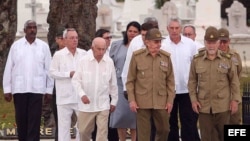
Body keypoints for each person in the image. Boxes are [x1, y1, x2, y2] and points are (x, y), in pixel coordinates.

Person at [2, 20, 54, 141]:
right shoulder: (16, 46)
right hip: (20, 89)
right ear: (25, 30)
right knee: (21, 120)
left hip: (37, 89)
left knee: (34, 121)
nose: (32, 30)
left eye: (34, 27)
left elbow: (49, 70)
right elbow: (9, 67)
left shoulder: (43, 47)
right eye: (29, 28)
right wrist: (7, 89)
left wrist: (49, 90)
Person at [188, 26, 241, 141]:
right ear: (205, 42)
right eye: (209, 42)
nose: (211, 45)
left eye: (214, 42)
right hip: (204, 107)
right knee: (207, 137)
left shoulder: (227, 60)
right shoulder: (197, 60)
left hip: (223, 106)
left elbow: (234, 81)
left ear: (218, 43)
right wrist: (193, 100)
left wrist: (235, 100)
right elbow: (192, 82)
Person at [126, 28, 175, 141]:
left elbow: (170, 81)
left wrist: (170, 101)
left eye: (160, 41)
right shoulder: (138, 56)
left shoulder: (165, 57)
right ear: (147, 42)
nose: (159, 44)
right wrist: (132, 100)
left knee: (164, 129)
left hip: (161, 100)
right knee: (144, 134)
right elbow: (130, 80)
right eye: (156, 41)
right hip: (142, 101)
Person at [72, 37, 118, 141]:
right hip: (86, 105)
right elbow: (75, 80)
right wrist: (82, 94)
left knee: (102, 134)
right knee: (83, 132)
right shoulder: (83, 61)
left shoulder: (109, 62)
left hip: (103, 104)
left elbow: (113, 83)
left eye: (103, 49)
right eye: (99, 49)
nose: (101, 52)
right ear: (92, 48)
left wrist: (114, 101)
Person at [162, 18, 199, 141]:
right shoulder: (163, 45)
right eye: (171, 28)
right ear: (167, 29)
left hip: (187, 90)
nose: (174, 30)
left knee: (188, 121)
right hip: (168, 91)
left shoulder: (190, 44)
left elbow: (195, 65)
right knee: (170, 122)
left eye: (177, 28)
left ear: (180, 29)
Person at [49, 28, 86, 141]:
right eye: (71, 38)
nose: (74, 40)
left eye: (76, 38)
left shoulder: (84, 54)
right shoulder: (58, 55)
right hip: (64, 97)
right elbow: (52, 72)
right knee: (64, 128)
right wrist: (68, 74)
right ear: (65, 40)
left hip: (80, 96)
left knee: (83, 127)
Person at [109, 21, 141, 141]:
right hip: (119, 84)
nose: (132, 34)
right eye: (130, 31)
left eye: (135, 32)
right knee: (120, 116)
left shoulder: (141, 46)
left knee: (134, 117)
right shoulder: (117, 45)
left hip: (135, 85)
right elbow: (110, 64)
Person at [91, 29, 119, 141]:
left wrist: (114, 98)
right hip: (93, 96)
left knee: (109, 125)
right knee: (95, 127)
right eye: (107, 38)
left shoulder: (111, 54)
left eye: (110, 37)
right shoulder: (90, 56)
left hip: (107, 94)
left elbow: (113, 79)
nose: (109, 40)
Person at [218, 27, 242, 124]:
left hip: (233, 95)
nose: (222, 44)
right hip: (219, 97)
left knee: (234, 122)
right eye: (220, 42)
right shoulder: (213, 56)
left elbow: (239, 72)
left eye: (225, 42)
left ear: (229, 41)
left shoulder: (235, 55)